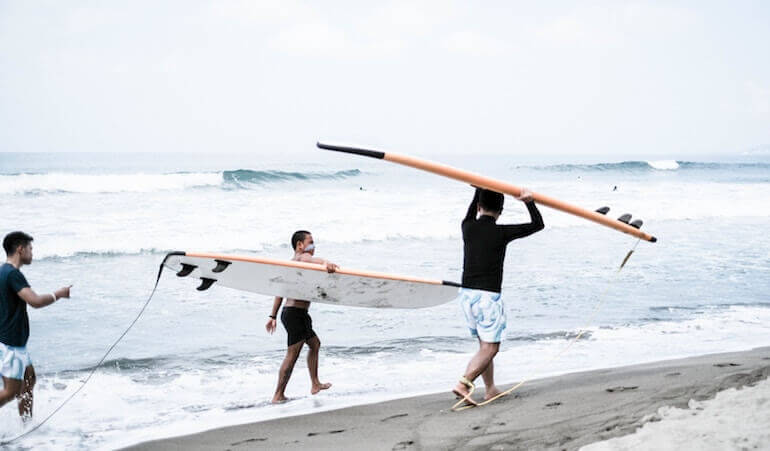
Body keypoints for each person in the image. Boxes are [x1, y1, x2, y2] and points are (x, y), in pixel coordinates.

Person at [452, 188, 544, 405]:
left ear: (477, 207)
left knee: (484, 345)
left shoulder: (467, 227)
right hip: (487, 298)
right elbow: (537, 224)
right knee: (491, 348)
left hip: (467, 296)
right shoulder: (501, 233)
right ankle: (464, 384)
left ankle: (490, 389)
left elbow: (470, 212)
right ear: (501, 211)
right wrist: (529, 202)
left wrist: (477, 189)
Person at [1, 231, 71, 420]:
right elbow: (36, 301)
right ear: (20, 249)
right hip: (10, 344)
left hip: (13, 342)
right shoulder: (13, 275)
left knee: (29, 380)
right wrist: (59, 294)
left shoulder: (2, 272)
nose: (32, 253)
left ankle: (26, 426)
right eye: (30, 249)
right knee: (10, 391)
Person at [265, 230, 337, 404]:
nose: (313, 246)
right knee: (292, 354)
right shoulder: (302, 258)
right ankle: (278, 395)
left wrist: (273, 315)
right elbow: (313, 261)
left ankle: (315, 384)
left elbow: (280, 292)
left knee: (314, 344)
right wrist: (326, 262)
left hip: (293, 313)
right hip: (295, 314)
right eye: (310, 242)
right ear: (299, 245)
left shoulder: (292, 264)